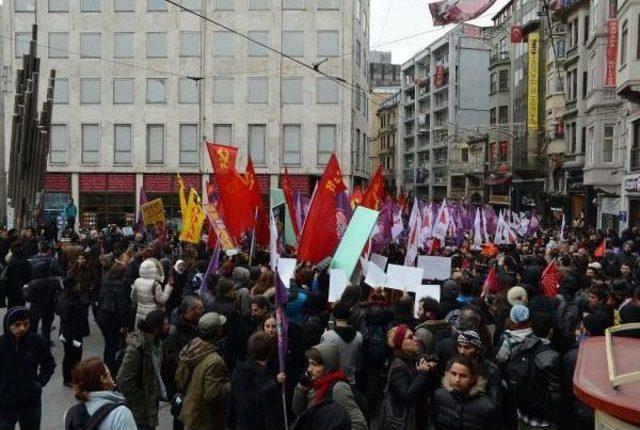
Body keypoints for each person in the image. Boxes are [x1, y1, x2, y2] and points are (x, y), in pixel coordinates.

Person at [0, 306, 55, 430]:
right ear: (8, 325)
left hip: (30, 402)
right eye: (17, 324)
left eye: (26, 324)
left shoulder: (37, 341)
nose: (22, 328)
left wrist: (40, 382)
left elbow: (49, 363)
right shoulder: (2, 345)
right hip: (4, 406)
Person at [175, 312, 231, 430]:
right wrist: (230, 385)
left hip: (191, 411)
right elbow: (212, 394)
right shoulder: (215, 361)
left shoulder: (192, 346)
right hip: (205, 419)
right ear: (218, 331)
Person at [292, 343, 367, 430]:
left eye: (314, 364)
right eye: (309, 363)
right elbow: (298, 410)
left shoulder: (338, 388)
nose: (309, 369)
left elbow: (359, 424)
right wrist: (302, 389)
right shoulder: (314, 382)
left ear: (328, 366)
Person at [116, 310, 169, 430]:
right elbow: (123, 380)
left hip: (151, 400)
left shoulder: (157, 344)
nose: (168, 327)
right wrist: (140, 403)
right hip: (140, 408)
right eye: (165, 324)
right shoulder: (137, 349)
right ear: (156, 329)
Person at [382, 324, 436, 430]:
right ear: (400, 344)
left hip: (418, 415)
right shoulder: (398, 366)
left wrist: (429, 369)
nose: (416, 339)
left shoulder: (412, 358)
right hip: (406, 420)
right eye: (410, 337)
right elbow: (407, 396)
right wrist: (422, 373)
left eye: (414, 335)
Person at [229, 332, 285, 430]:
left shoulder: (238, 373)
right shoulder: (268, 386)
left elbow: (231, 408)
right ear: (270, 352)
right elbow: (273, 421)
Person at [64, 356, 137, 429]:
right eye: (109, 373)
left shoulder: (70, 414)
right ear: (103, 379)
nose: (111, 376)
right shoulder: (120, 413)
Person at [430, 355, 498, 430]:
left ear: (473, 378)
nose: (457, 380)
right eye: (453, 374)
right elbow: (433, 423)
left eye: (463, 376)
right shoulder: (440, 395)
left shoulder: (486, 406)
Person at [56, 276, 90, 387]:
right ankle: (68, 378)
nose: (79, 286)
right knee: (71, 355)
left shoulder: (69, 297)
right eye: (77, 284)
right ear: (73, 286)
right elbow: (67, 319)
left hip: (72, 333)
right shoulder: (68, 301)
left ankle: (75, 376)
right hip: (70, 334)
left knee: (75, 353)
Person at [97, 262, 130, 374]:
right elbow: (122, 307)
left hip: (103, 317)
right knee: (113, 346)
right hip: (113, 320)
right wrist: (124, 325)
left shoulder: (105, 282)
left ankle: (106, 366)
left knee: (109, 344)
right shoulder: (120, 286)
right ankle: (110, 370)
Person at [319, 302, 363, 385]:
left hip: (330, 380)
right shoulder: (359, 336)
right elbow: (358, 359)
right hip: (349, 379)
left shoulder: (328, 335)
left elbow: (321, 357)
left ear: (334, 315)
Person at [23, 256, 61, 344]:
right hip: (50, 307)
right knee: (46, 326)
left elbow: (28, 298)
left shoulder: (33, 283)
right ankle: (46, 341)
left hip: (36, 308)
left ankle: (34, 342)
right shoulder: (54, 281)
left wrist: (24, 290)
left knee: (33, 326)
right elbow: (59, 292)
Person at [130, 258, 174, 329]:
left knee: (141, 331)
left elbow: (133, 297)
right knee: (151, 331)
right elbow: (162, 300)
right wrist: (168, 287)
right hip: (152, 313)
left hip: (140, 311)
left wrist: (141, 302)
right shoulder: (155, 284)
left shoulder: (137, 281)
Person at [4, 241, 32, 308]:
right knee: (21, 306)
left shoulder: (11, 260)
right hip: (21, 287)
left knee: (12, 306)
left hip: (12, 288)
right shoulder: (23, 262)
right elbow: (29, 273)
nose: (22, 248)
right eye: (21, 247)